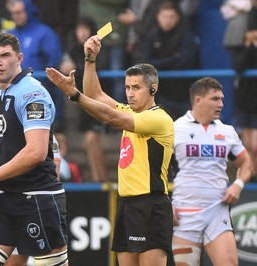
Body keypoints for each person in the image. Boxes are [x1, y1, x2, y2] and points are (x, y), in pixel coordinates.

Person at [46, 34, 175, 265]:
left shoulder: (159, 119)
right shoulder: (130, 110)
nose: (130, 93)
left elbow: (109, 116)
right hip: (127, 204)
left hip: (151, 205)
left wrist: (74, 95)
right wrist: (90, 61)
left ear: (153, 89)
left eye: (136, 87)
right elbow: (95, 95)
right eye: (127, 87)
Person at [0, 32, 68, 266]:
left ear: (19, 58)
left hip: (37, 197)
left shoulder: (32, 94)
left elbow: (36, 152)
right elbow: (5, 149)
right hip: (5, 198)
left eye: (5, 55)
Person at [171, 77, 252, 266]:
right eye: (215, 99)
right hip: (184, 212)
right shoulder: (175, 129)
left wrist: (238, 185)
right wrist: (167, 202)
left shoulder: (227, 131)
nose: (221, 104)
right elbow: (156, 168)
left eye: (222, 99)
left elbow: (247, 163)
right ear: (198, 100)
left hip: (217, 210)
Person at [60, 16, 110, 182]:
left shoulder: (99, 46)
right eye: (79, 29)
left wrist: (77, 67)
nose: (82, 33)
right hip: (82, 101)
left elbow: (100, 66)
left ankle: (101, 181)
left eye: (85, 29)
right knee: (88, 141)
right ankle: (98, 181)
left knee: (91, 138)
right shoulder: (72, 48)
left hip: (99, 98)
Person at [6, 0, 65, 132]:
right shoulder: (9, 35)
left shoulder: (45, 33)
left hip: (40, 92)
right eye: (14, 13)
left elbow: (53, 61)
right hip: (13, 92)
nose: (16, 16)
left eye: (19, 12)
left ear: (29, 11)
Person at [141, 1, 200, 121]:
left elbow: (185, 62)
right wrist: (173, 59)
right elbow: (146, 63)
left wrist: (160, 63)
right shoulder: (152, 36)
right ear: (158, 17)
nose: (168, 20)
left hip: (185, 94)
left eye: (171, 17)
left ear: (178, 18)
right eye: (164, 16)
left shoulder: (186, 35)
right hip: (161, 95)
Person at [222, 0, 257, 181]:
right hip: (246, 94)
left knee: (255, 143)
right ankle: (250, 174)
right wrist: (251, 46)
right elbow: (238, 66)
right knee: (249, 143)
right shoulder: (240, 25)